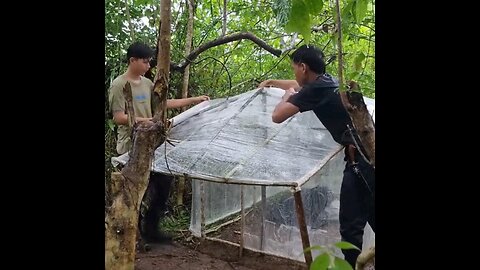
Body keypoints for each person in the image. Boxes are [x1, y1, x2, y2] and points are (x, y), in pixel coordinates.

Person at [259, 44, 375, 267]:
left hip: (366, 160)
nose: (294, 73)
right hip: (355, 162)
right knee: (350, 223)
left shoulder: (316, 89)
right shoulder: (326, 82)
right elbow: (297, 85)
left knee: (366, 217)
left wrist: (286, 96)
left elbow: (277, 116)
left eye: (294, 68)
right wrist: (273, 82)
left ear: (303, 67)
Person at [108, 42, 209, 245]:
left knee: (163, 185)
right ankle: (133, 233)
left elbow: (163, 104)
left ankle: (151, 230)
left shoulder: (146, 83)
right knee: (134, 190)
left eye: (149, 62)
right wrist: (150, 121)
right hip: (131, 147)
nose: (148, 65)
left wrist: (193, 100)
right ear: (132, 61)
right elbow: (119, 117)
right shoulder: (119, 85)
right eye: (145, 62)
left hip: (152, 144)